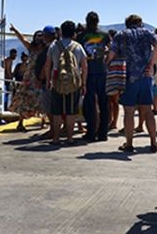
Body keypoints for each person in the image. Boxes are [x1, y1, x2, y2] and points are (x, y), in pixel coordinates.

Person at [107, 14, 157, 153]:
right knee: (148, 111)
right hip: (146, 76)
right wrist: (151, 63)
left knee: (129, 112)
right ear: (140, 23)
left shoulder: (121, 34)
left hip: (128, 77)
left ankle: (129, 144)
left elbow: (112, 53)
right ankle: (153, 143)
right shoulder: (147, 33)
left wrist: (107, 64)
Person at [45, 20, 88, 145]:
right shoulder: (78, 47)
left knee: (57, 111)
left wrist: (48, 80)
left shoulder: (54, 46)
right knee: (71, 112)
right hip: (74, 83)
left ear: (61, 32)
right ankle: (70, 138)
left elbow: (48, 65)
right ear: (74, 33)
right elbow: (84, 66)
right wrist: (83, 83)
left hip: (57, 81)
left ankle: (56, 138)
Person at [77, 11, 111, 142]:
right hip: (102, 70)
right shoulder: (104, 35)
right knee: (103, 102)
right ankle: (103, 133)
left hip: (88, 72)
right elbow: (111, 49)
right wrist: (106, 61)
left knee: (89, 102)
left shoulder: (82, 36)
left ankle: (91, 132)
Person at [9, 26, 45, 131]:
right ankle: (20, 123)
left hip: (39, 76)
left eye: (41, 36)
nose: (39, 38)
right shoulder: (31, 48)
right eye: (38, 36)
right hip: (30, 77)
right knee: (24, 100)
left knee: (41, 100)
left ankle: (43, 121)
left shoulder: (45, 49)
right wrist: (16, 31)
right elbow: (22, 39)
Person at [106, 29, 121, 130]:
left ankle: (113, 121)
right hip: (116, 74)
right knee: (112, 101)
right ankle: (112, 120)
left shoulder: (114, 48)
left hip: (113, 74)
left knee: (113, 100)